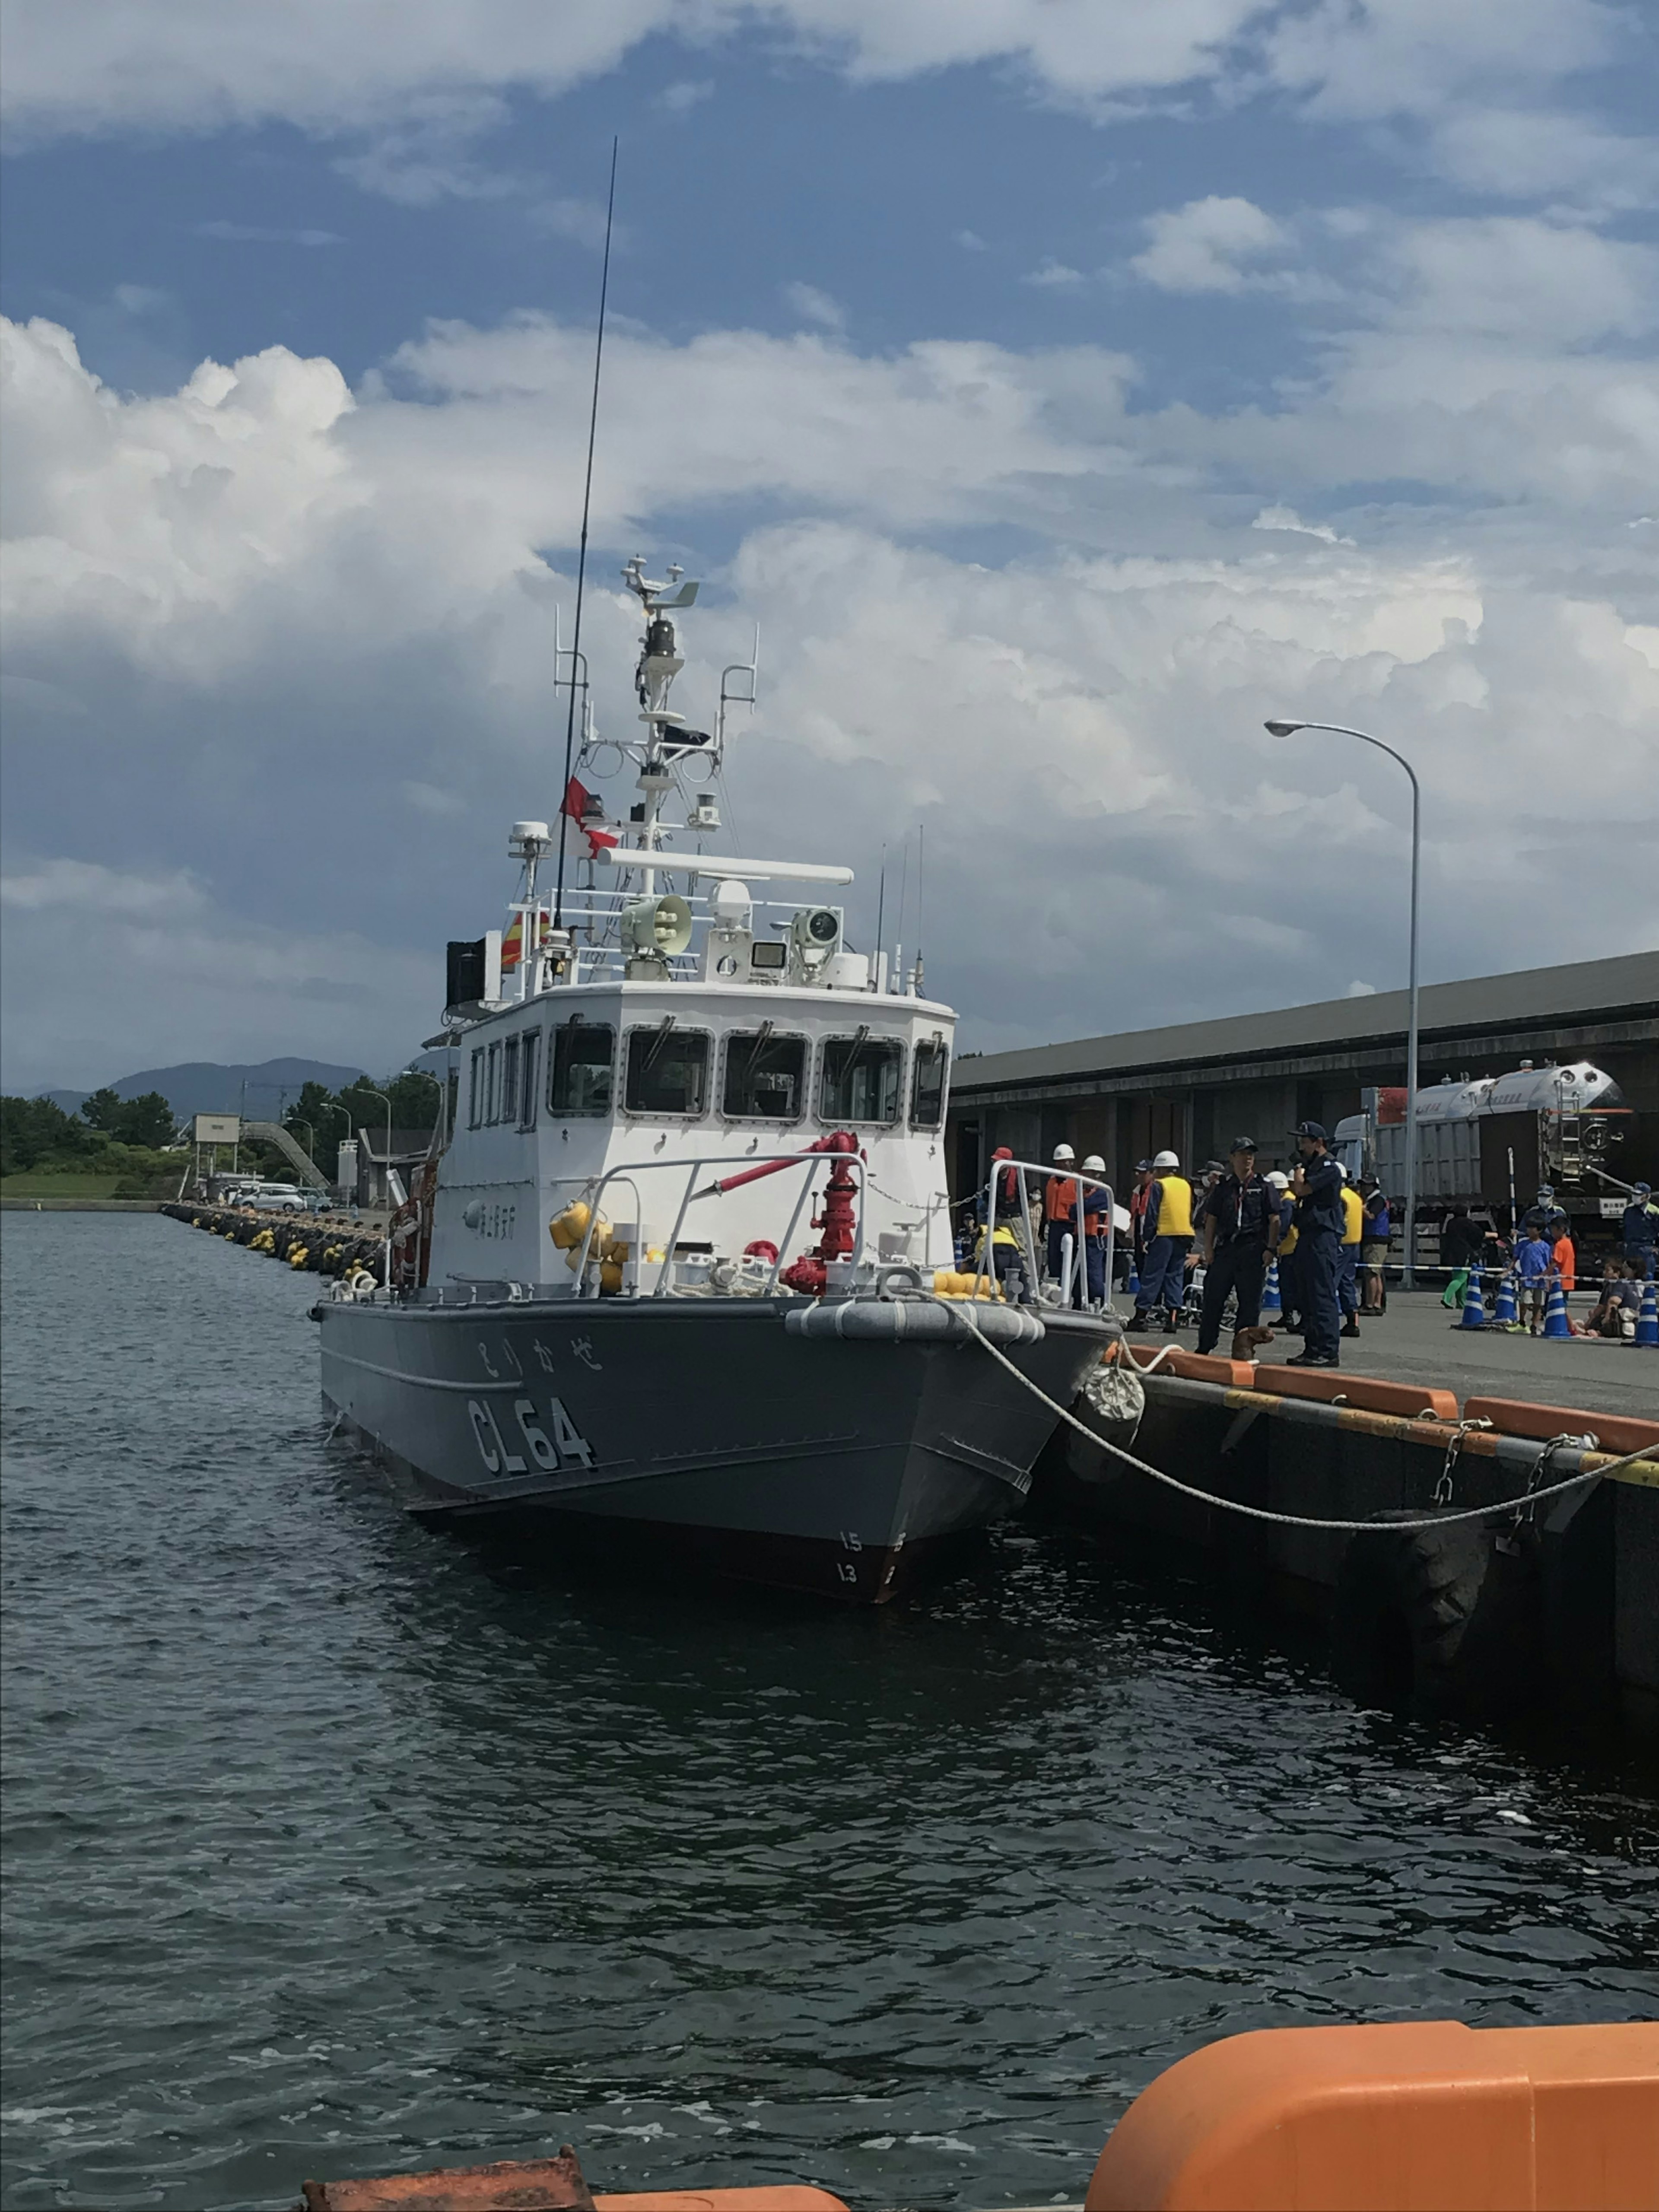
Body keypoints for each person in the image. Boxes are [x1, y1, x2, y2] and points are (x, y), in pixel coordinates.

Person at [1195, 1138, 1273, 1356]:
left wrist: (1270, 1248)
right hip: (1227, 1249)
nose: (1247, 1159)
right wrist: (1208, 1249)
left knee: (1249, 1303)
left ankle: (1243, 1348)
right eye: (1242, 1154)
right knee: (1213, 1299)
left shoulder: (1263, 1186)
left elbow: (1274, 1219)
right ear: (1232, 1158)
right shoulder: (1224, 1188)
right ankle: (1205, 1346)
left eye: (1250, 1155)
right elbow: (1211, 1219)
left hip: (1252, 1249)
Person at [1286, 1121, 1344, 1366]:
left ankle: (1327, 1350)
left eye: (1305, 1142)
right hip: (1308, 1235)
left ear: (1318, 1143)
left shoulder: (1329, 1167)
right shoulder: (1314, 1166)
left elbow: (1301, 1190)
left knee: (1322, 1294)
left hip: (1323, 1236)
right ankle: (1312, 1347)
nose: (1301, 1147)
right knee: (1307, 1294)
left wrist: (1299, 1175)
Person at [1125, 1149, 1193, 1334]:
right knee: (1175, 1276)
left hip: (1163, 1234)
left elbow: (1152, 1213)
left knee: (1152, 1276)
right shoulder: (1186, 1185)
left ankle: (1140, 1318)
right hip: (1184, 1234)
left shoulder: (1158, 1186)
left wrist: (1147, 1237)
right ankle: (1172, 1319)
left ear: (1162, 1169)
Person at [973, 1145, 1029, 1301]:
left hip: (1014, 1218)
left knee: (1021, 1250)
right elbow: (986, 1197)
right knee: (992, 1246)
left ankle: (1026, 1284)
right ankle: (993, 1279)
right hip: (997, 1217)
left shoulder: (1020, 1177)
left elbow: (1024, 1198)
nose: (996, 1165)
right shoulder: (990, 1177)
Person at [1042, 1142, 1080, 1289]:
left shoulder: (1078, 1181)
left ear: (1071, 1162)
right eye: (1059, 1162)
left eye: (1065, 1161)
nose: (1062, 1164)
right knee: (1054, 1261)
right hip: (1054, 1225)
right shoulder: (1051, 1181)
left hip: (1070, 1226)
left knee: (1070, 1260)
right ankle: (1056, 1291)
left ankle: (1071, 1290)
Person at [1265, 1170, 1298, 1328]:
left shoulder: (1287, 1204)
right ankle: (1289, 1316)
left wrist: (1273, 1245)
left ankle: (1290, 1316)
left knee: (1289, 1285)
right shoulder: (1291, 1200)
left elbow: (1282, 1227)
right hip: (1291, 1249)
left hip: (1290, 1249)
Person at [1079, 1154, 1111, 1306]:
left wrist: (1081, 1205)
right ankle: (1082, 1301)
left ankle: (1099, 1300)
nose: (1084, 1175)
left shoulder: (1103, 1193)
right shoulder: (1083, 1192)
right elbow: (1074, 1210)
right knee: (1080, 1271)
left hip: (1095, 1239)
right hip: (1082, 1236)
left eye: (1089, 1173)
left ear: (1097, 1174)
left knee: (1094, 1271)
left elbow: (1083, 1208)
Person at [1338, 1171, 1365, 1340]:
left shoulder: (1339, 1197)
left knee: (1329, 1283)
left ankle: (1327, 1323)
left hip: (1340, 1244)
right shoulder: (1355, 1197)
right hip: (1354, 1244)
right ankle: (1353, 1322)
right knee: (1347, 1282)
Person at [1360, 1176, 1391, 1313]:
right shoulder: (1373, 1200)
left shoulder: (1378, 1200)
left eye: (1369, 1185)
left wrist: (1360, 1208)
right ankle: (1377, 1304)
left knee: (1372, 1274)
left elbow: (1372, 1216)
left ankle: (1371, 1304)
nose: (1365, 1188)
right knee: (1376, 1273)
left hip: (1377, 1240)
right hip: (1374, 1239)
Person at [1513, 1224, 1552, 1333]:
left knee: (1538, 1304)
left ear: (1539, 1230)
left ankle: (1534, 1325)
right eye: (1529, 1228)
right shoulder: (1523, 1244)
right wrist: (1509, 1270)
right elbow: (1515, 1258)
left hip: (1540, 1279)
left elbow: (1549, 1263)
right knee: (1525, 1302)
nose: (1529, 1230)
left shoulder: (1545, 1246)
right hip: (1527, 1278)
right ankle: (1522, 1321)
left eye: (1532, 1228)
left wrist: (1547, 1278)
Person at [1622, 1184, 1658, 1279]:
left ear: (1647, 1196)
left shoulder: (1654, 1211)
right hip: (1631, 1247)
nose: (1635, 1197)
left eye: (1639, 1195)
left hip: (1646, 1248)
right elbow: (1624, 1228)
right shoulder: (1628, 1210)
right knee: (1630, 1277)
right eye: (1634, 1194)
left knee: (1647, 1276)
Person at [1551, 1222, 1576, 1297]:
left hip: (1560, 1281)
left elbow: (1556, 1263)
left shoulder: (1560, 1245)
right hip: (1568, 1280)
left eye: (1554, 1230)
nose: (1552, 1233)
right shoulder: (1569, 1243)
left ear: (1561, 1230)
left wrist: (1544, 1274)